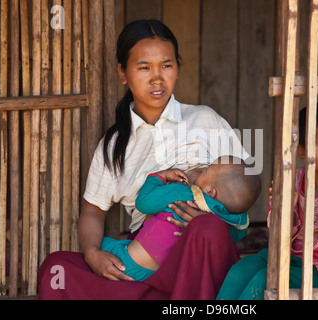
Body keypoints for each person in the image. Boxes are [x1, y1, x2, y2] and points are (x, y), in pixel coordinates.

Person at [38, 19, 250, 300]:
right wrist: (93, 254)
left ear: (177, 68)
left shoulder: (205, 119)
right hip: (146, 261)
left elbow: (245, 185)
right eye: (144, 67)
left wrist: (213, 221)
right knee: (57, 268)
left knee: (207, 228)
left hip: (204, 264)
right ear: (123, 73)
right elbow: (93, 212)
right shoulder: (114, 146)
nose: (157, 78)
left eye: (166, 65)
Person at [216, 102, 318, 300]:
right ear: (303, 152)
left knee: (263, 280)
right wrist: (284, 208)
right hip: (293, 257)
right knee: (242, 269)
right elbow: (277, 230)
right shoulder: (295, 180)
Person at [101, 156, 261, 281]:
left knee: (103, 244)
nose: (202, 169)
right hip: (165, 275)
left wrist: (159, 176)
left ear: (211, 192)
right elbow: (233, 236)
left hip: (128, 265)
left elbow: (143, 203)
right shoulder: (229, 224)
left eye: (206, 170)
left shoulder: (183, 194)